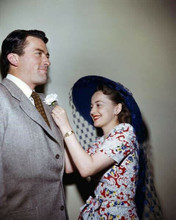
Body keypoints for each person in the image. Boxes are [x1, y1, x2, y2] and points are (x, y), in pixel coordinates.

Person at [52, 75, 144, 219]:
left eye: (99, 105)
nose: (92, 111)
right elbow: (69, 167)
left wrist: (65, 126)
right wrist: (56, 130)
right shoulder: (100, 143)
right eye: (91, 106)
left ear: (117, 108)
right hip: (95, 213)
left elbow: (87, 168)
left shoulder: (125, 133)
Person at [0, 29, 68, 219]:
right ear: (14, 58)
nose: (47, 61)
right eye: (39, 53)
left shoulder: (47, 104)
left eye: (47, 55)